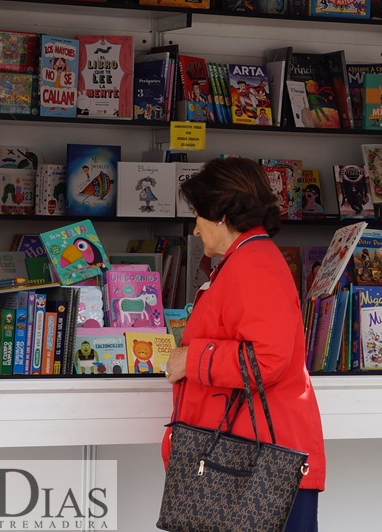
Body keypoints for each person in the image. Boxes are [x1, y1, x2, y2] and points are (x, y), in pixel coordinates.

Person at [163, 157, 326, 531]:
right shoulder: (249, 258)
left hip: (254, 466)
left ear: (221, 214)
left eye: (199, 215)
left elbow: (269, 356)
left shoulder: (252, 263)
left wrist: (192, 360)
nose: (196, 228)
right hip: (246, 458)